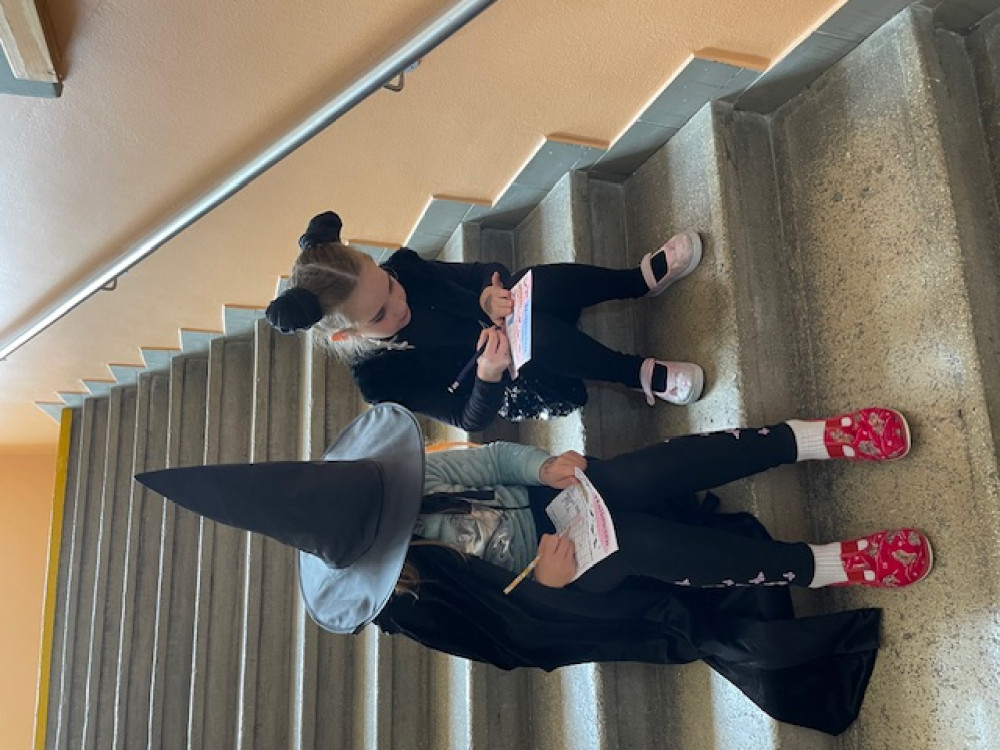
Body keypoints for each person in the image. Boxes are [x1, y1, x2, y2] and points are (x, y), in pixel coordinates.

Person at [136, 402, 930, 735]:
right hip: (569, 590)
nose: (409, 504)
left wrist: (544, 468)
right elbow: (517, 642)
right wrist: (550, 584)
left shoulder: (406, 475)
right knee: (636, 543)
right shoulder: (410, 602)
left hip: (554, 508)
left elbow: (490, 460)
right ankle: (821, 566)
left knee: (634, 478)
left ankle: (808, 438)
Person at [264, 210, 705, 432]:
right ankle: (635, 374)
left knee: (534, 284)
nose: (399, 304)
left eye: (390, 284)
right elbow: (468, 418)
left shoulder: (407, 270)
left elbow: (480, 271)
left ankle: (636, 281)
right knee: (540, 335)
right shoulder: (379, 378)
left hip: (518, 316)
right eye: (380, 314)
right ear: (346, 335)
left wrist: (485, 294)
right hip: (511, 380)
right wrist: (489, 374)